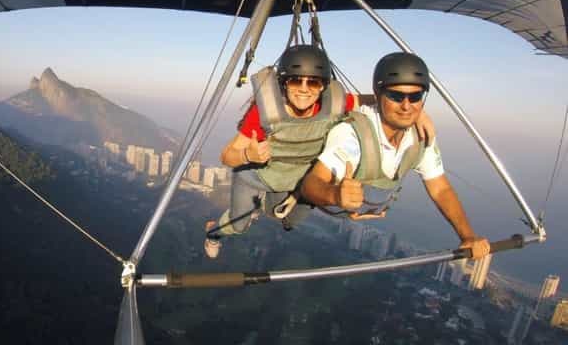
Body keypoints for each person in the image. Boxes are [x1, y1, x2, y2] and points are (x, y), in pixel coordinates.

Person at [204, 45, 433, 259]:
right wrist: (247, 156)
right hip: (259, 178)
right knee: (238, 225)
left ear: (323, 86)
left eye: (313, 83)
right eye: (296, 81)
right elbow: (227, 155)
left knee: (289, 221)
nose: (304, 90)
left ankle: (264, 207)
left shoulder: (331, 105)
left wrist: (414, 111)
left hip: (299, 180)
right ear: (284, 83)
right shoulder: (265, 112)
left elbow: (380, 99)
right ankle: (213, 233)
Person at [299, 52, 490, 260]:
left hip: (371, 206)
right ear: (378, 94)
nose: (406, 106)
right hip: (337, 209)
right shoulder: (353, 134)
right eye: (396, 96)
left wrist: (468, 235)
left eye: (415, 97)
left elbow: (440, 188)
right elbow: (311, 184)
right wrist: (334, 195)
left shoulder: (420, 136)